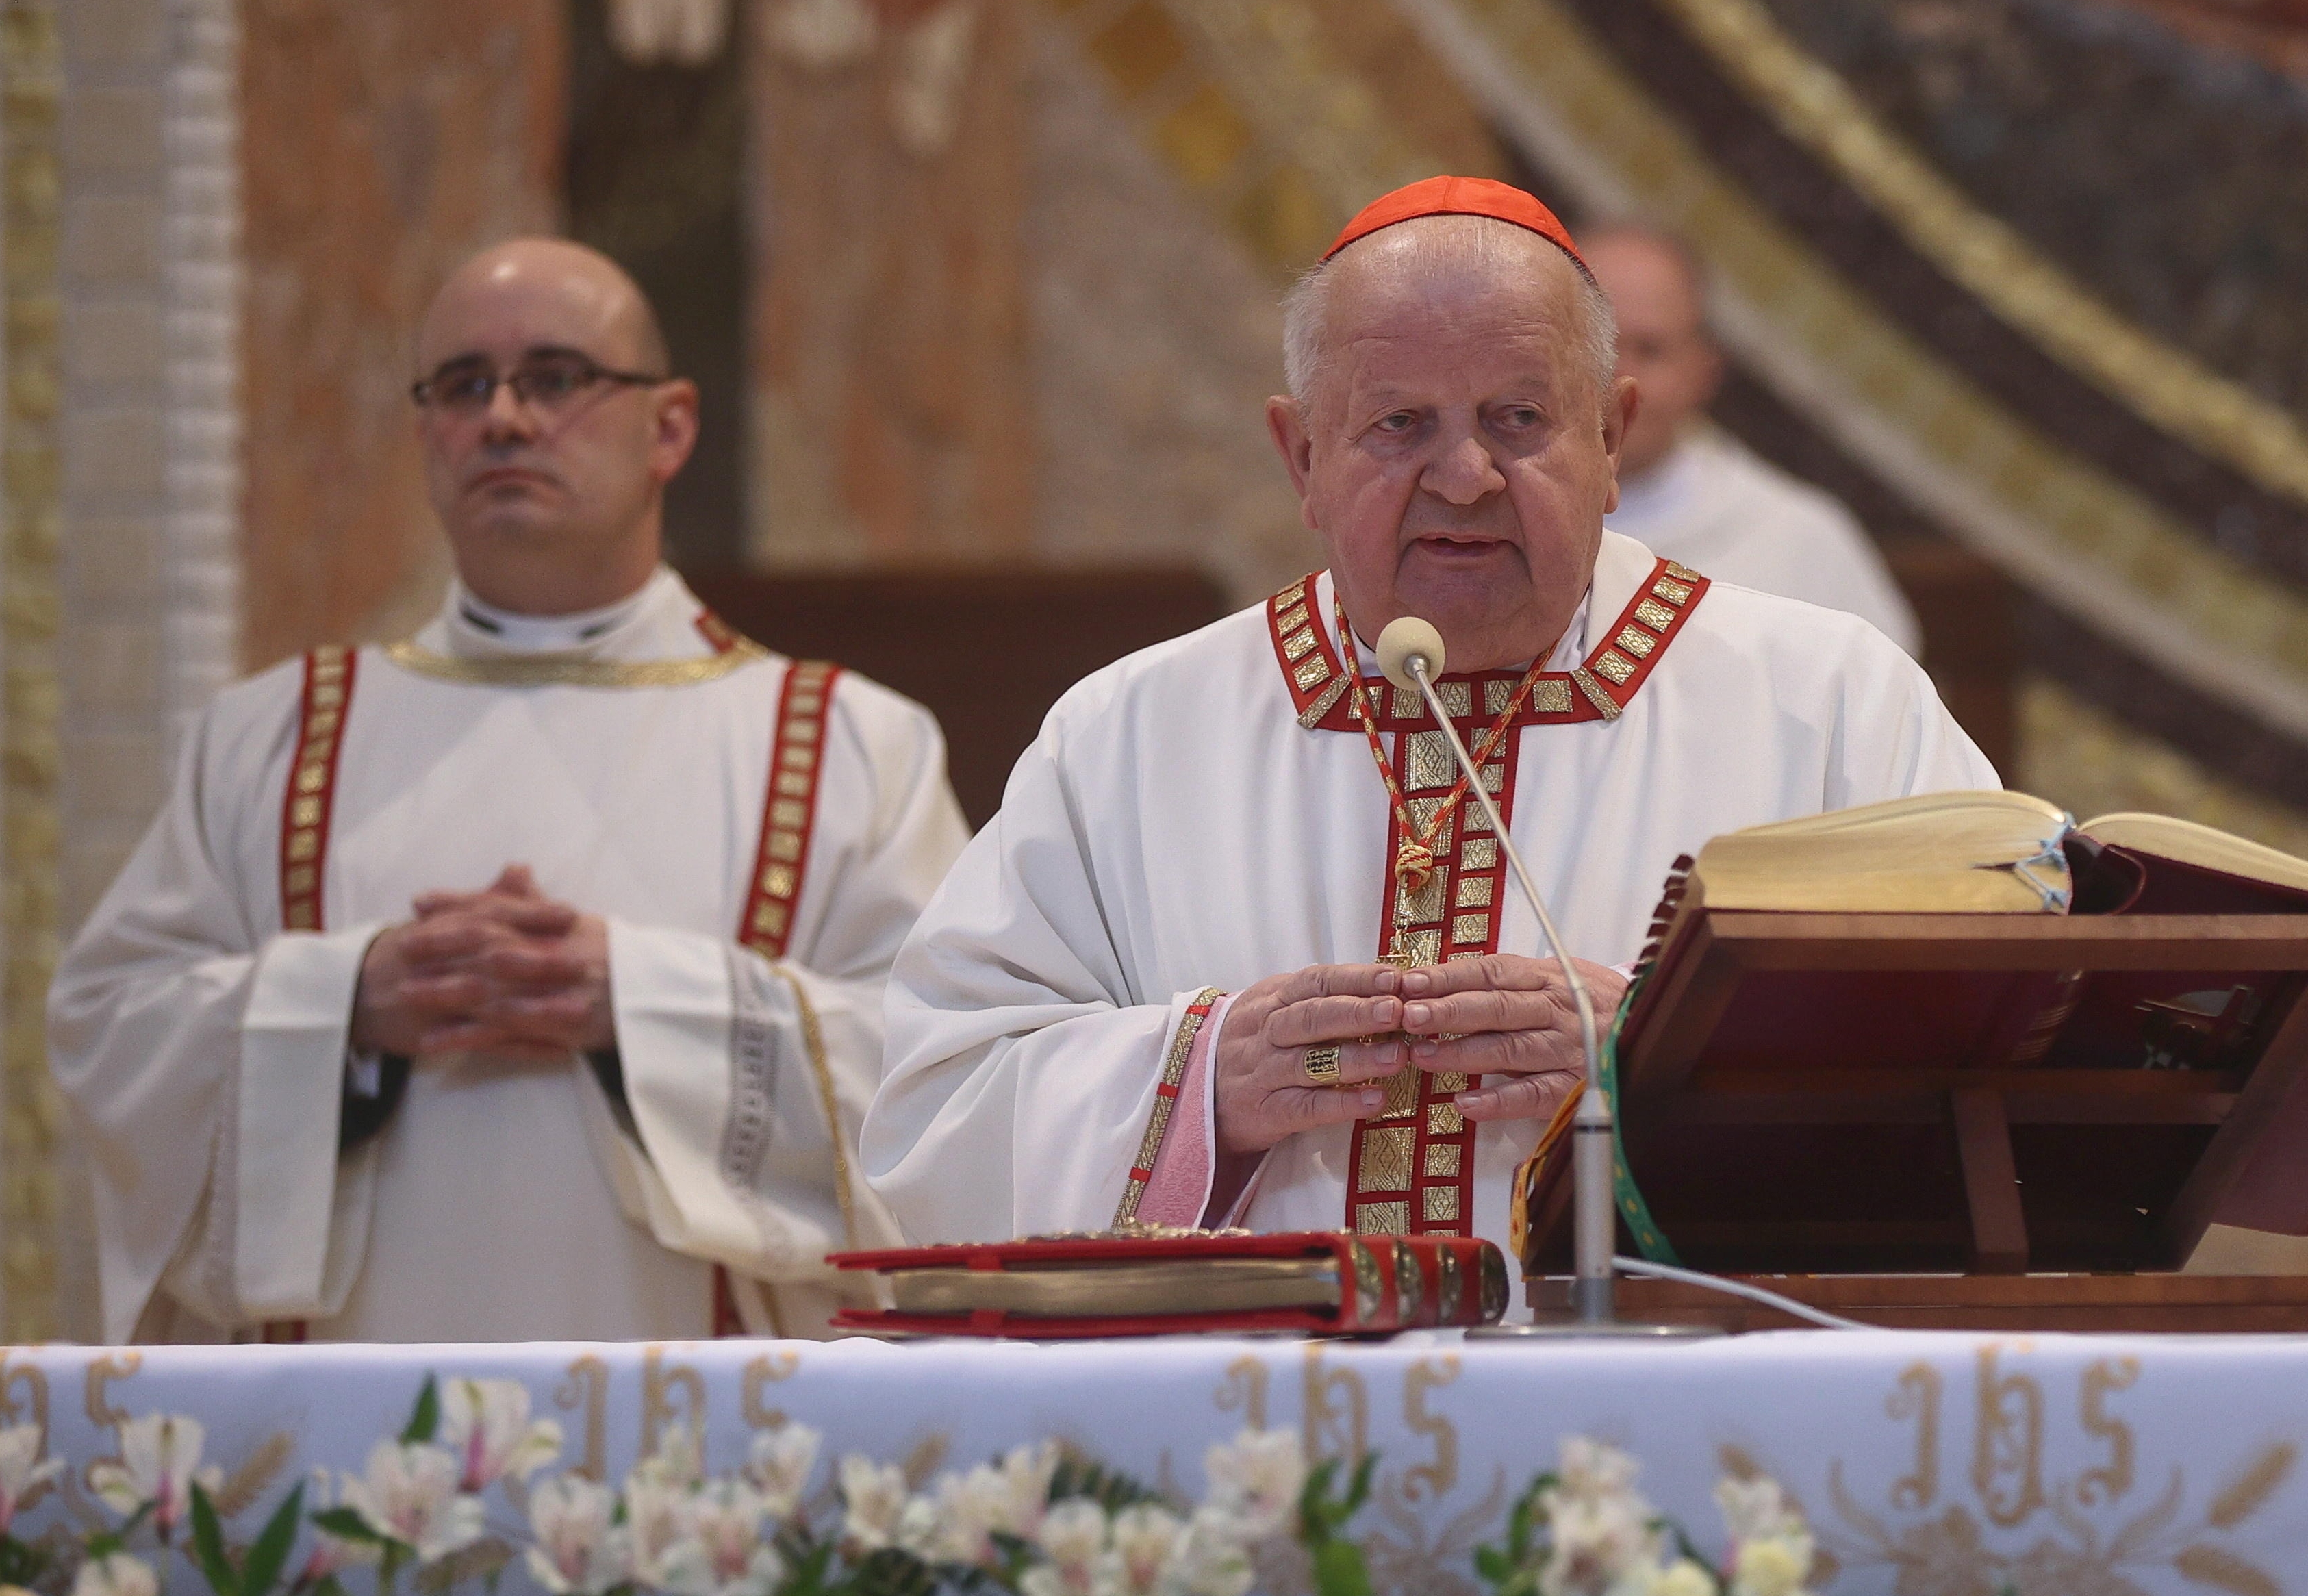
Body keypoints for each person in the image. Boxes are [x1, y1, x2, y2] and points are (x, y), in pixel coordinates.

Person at [864, 179, 1992, 1260]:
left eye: (1517, 418)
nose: (1463, 476)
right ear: (1300, 456)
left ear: (1609, 438)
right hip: (1253, 1435)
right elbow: (930, 1107)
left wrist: (1671, 1064)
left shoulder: (1828, 702)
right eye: (1398, 423)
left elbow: (1998, 1070)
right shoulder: (1127, 735)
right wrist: (1201, 1079)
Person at [50, 239, 969, 1342]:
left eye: (555, 378)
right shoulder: (270, 742)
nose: (504, 419)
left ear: (669, 426)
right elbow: (112, 1035)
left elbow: (941, 1084)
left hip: (712, 1471)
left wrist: (636, 1000)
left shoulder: (849, 744)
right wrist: (345, 1005)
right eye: (461, 386)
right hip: (340, 1467)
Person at [1577, 223, 1923, 654]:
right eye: (1596, 347)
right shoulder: (1489, 529)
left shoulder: (1802, 541)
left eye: (1650, 349)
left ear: (1704, 371)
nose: (1619, 379)